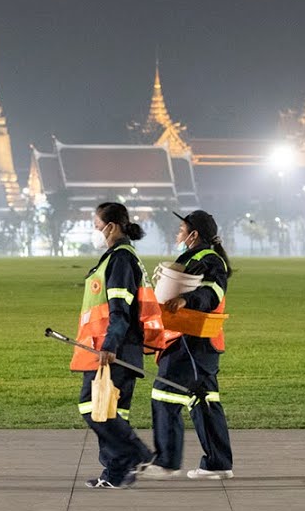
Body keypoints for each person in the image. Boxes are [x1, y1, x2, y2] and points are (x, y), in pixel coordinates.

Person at [138, 209, 235, 480]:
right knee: (204, 400)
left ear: (193, 234)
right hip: (202, 343)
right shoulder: (196, 257)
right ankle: (217, 464)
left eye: (181, 230)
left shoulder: (207, 259)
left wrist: (186, 301)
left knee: (165, 393)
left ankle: (167, 461)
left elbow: (212, 292)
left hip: (190, 340)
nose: (177, 234)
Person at [71, 202, 156, 489]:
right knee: (112, 412)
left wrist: (110, 345)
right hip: (117, 348)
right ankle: (115, 474)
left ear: (112, 226)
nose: (96, 231)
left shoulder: (120, 259)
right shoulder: (120, 256)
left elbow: (120, 309)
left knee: (92, 406)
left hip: (112, 349)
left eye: (97, 225)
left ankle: (139, 454)